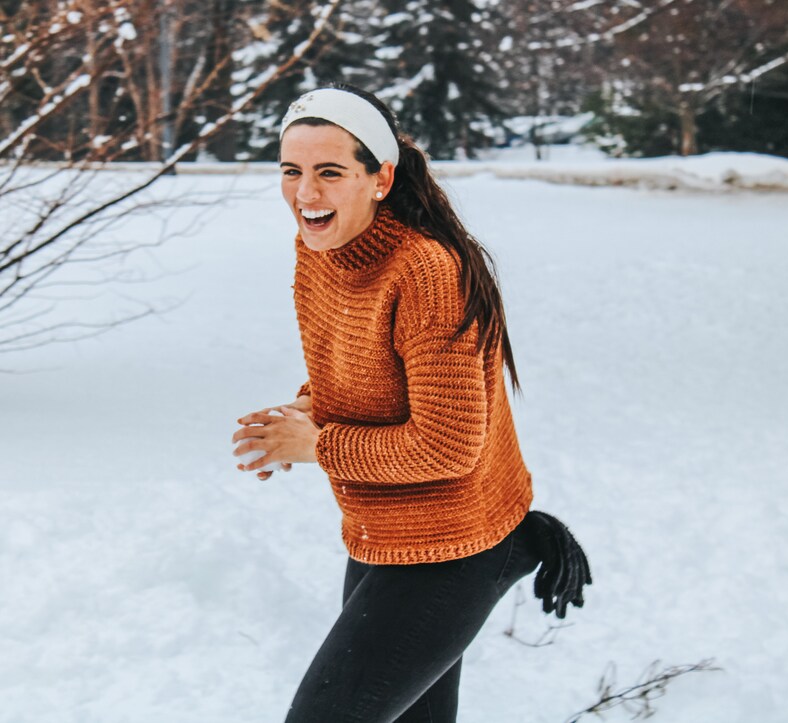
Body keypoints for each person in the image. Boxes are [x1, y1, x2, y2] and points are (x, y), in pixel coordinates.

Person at [232, 83, 591, 722]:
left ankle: (511, 538)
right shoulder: (321, 252)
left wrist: (317, 446)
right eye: (291, 171)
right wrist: (307, 411)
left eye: (330, 172)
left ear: (380, 177)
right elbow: (352, 373)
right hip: (380, 532)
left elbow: (447, 446)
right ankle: (521, 535)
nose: (305, 194)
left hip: (453, 545)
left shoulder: (426, 272)